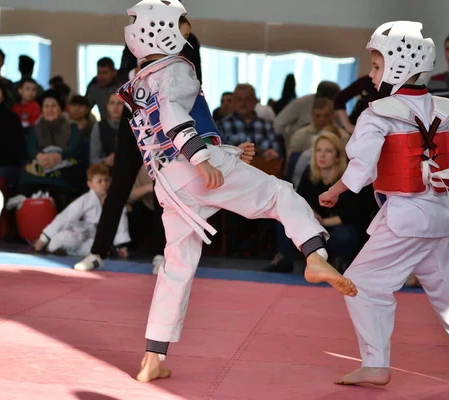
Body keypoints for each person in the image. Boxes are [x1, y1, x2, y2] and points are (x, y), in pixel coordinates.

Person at [117, 0, 357, 383]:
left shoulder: (142, 79)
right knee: (280, 195)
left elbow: (164, 130)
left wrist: (224, 153)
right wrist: (204, 160)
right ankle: (314, 254)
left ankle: (153, 357)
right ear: (162, 30)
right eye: (182, 26)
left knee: (176, 267)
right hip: (191, 166)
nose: (186, 33)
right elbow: (177, 119)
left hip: (168, 182)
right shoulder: (178, 69)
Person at [318, 21, 449, 390]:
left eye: (376, 64)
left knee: (361, 283)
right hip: (443, 218)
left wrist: (335, 190)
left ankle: (375, 364)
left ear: (398, 64)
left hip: (404, 217)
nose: (371, 73)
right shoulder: (445, 109)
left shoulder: (378, 113)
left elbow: (362, 168)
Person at [33, 163, 130, 257]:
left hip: (97, 237)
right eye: (99, 181)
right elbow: (66, 217)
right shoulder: (85, 200)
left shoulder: (115, 201)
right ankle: (50, 246)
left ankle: (67, 251)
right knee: (62, 240)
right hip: (81, 232)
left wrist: (122, 247)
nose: (104, 184)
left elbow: (121, 224)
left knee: (97, 250)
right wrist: (44, 238)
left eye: (107, 180)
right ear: (90, 184)